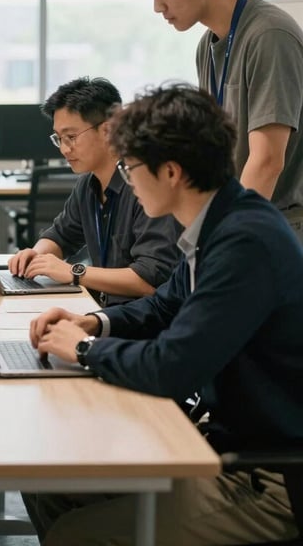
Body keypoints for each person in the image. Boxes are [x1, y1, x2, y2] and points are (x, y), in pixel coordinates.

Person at [24, 84, 303, 546]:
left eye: (131, 168)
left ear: (171, 172)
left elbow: (171, 366)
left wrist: (84, 349)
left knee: (75, 535)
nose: (128, 180)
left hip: (269, 476)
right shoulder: (219, 223)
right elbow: (163, 305)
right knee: (50, 486)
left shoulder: (244, 243)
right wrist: (94, 323)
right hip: (221, 441)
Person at [128, 0, 303, 241]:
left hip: (276, 227)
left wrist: (223, 236)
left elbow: (266, 162)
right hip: (240, 219)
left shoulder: (269, 35)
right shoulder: (207, 46)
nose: (157, 6)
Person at [8, 77, 179, 306]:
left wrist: (75, 272)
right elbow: (61, 235)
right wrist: (36, 255)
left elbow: (150, 280)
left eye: (71, 137)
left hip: (140, 322)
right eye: (58, 139)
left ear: (108, 130)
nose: (64, 149)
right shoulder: (88, 185)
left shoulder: (145, 186)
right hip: (103, 310)